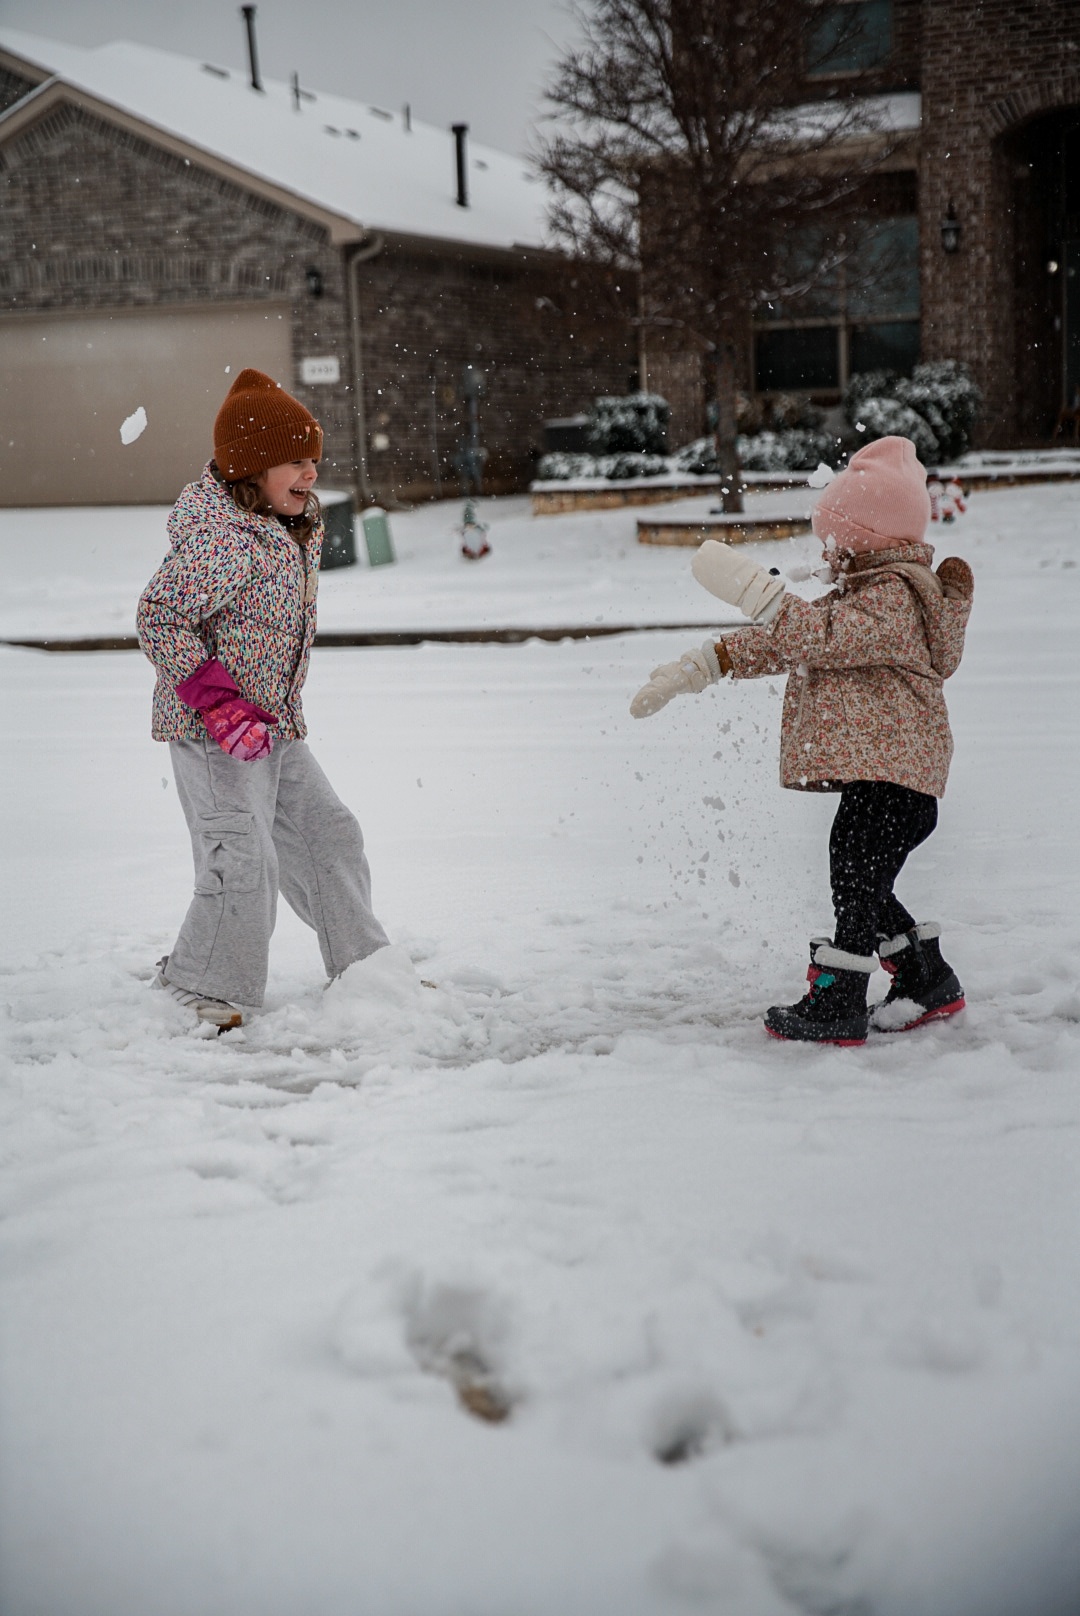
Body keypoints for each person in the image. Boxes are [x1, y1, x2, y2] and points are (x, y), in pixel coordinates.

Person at [630, 435, 974, 1046]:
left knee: (856, 879)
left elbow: (820, 635)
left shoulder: (895, 599)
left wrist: (755, 592)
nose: (827, 550)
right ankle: (926, 979)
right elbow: (803, 639)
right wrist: (711, 662)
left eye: (836, 537)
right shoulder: (868, 595)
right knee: (860, 881)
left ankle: (840, 1001)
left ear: (870, 536)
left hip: (900, 781)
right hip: (890, 779)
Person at [137, 368, 389, 1029]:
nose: (309, 474)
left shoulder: (286, 523)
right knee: (242, 855)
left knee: (330, 837)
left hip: (273, 729)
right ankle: (204, 986)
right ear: (250, 466)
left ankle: (368, 971)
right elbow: (160, 615)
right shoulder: (224, 538)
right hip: (214, 733)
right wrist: (219, 704)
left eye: (314, 460)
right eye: (294, 462)